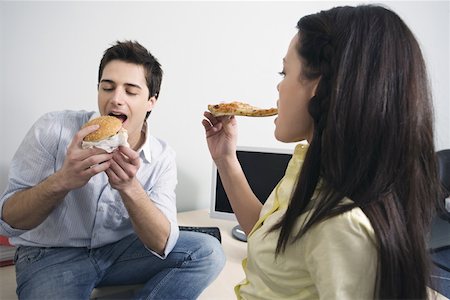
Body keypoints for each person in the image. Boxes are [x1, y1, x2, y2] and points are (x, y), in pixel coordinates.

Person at [202, 5, 443, 299]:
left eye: (285, 71)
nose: (279, 85)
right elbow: (271, 237)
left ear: (318, 84)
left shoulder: (343, 226)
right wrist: (226, 159)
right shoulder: (310, 167)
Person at [0, 40, 225, 299]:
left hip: (120, 253)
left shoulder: (161, 156)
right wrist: (62, 180)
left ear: (151, 101)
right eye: (108, 88)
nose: (116, 99)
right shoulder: (52, 129)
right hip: (50, 255)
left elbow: (163, 244)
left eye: (130, 91)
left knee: (208, 252)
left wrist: (130, 188)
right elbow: (8, 223)